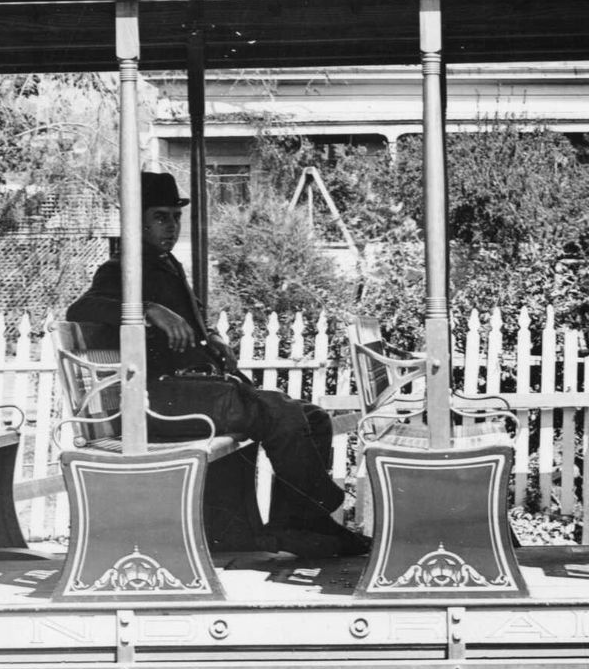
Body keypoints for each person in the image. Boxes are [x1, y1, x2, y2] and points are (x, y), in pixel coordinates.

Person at [65, 172, 365, 559]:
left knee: (312, 417)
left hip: (190, 392)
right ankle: (304, 521)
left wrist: (212, 339)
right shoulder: (122, 268)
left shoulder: (164, 265)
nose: (171, 226)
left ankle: (298, 521)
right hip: (157, 402)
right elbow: (81, 309)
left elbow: (188, 326)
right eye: (160, 217)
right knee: (277, 410)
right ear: (137, 221)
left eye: (176, 217)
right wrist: (149, 309)